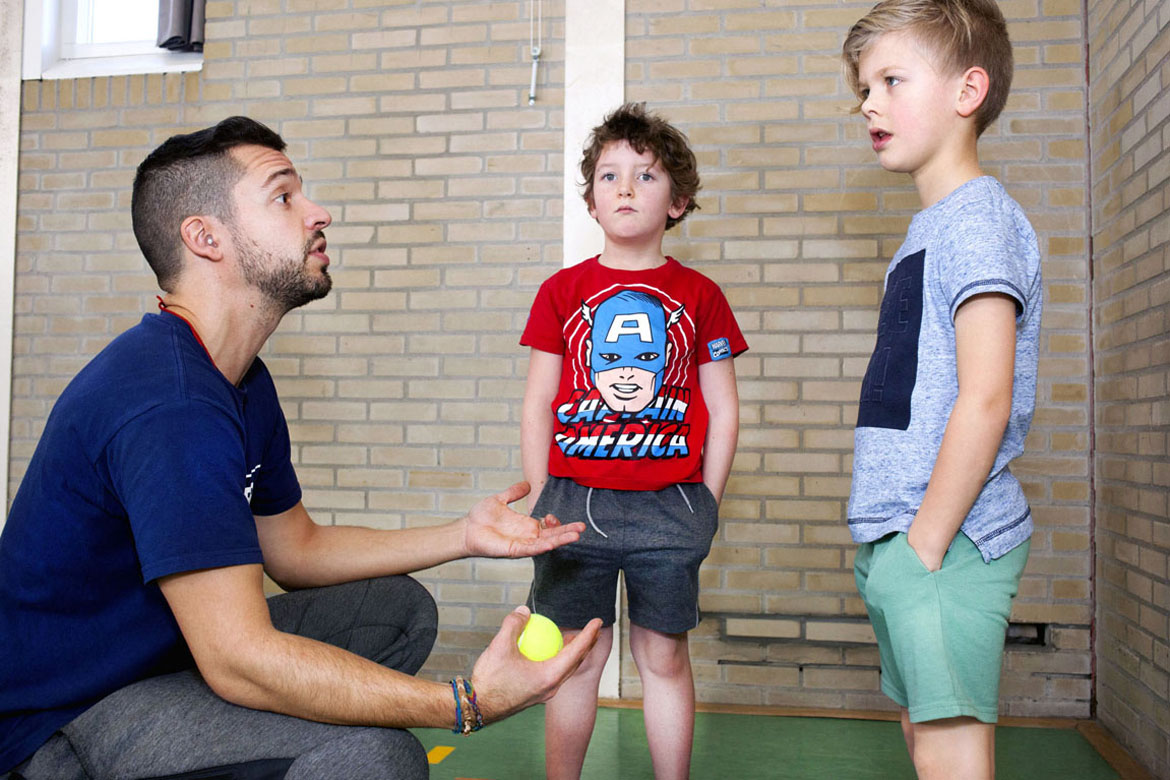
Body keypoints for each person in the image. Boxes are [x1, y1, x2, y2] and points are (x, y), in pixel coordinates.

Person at [0, 116, 602, 780]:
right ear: (205, 238)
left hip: (161, 661)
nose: (320, 213)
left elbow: (294, 550)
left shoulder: (240, 381)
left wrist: (464, 534)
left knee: (396, 611)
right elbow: (238, 659)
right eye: (284, 196)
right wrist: (464, 703)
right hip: (62, 723)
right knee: (377, 756)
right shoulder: (169, 403)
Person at [840, 1, 1043, 778]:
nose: (869, 102)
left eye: (892, 79)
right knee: (929, 743)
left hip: (947, 541)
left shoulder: (978, 220)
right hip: (909, 537)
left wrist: (923, 543)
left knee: (953, 752)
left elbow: (986, 397)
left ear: (968, 91)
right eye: (865, 86)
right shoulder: (932, 228)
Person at [520, 103, 747, 780]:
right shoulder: (562, 293)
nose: (624, 188)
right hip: (571, 504)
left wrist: (703, 500)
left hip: (668, 506)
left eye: (645, 176)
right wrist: (540, 499)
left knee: (665, 658)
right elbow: (537, 403)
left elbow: (724, 407)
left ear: (677, 202)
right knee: (578, 658)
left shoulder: (700, 295)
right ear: (591, 199)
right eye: (610, 175)